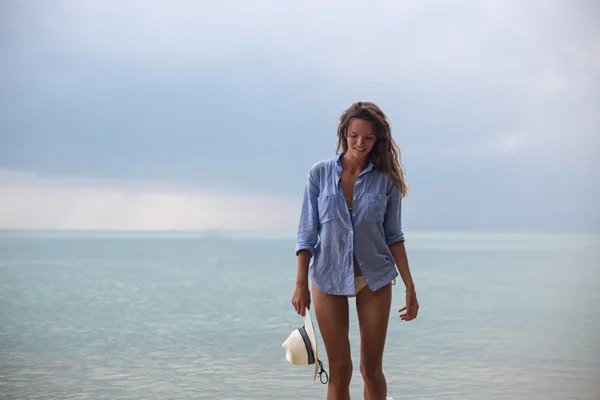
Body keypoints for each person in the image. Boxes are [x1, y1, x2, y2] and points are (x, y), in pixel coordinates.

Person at [291, 101, 419, 400]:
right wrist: (300, 285)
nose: (360, 143)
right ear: (344, 134)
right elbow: (307, 234)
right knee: (340, 369)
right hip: (327, 277)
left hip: (373, 278)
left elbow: (394, 236)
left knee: (371, 370)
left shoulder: (386, 180)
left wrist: (410, 288)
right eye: (353, 135)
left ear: (378, 140)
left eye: (368, 137)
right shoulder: (319, 174)